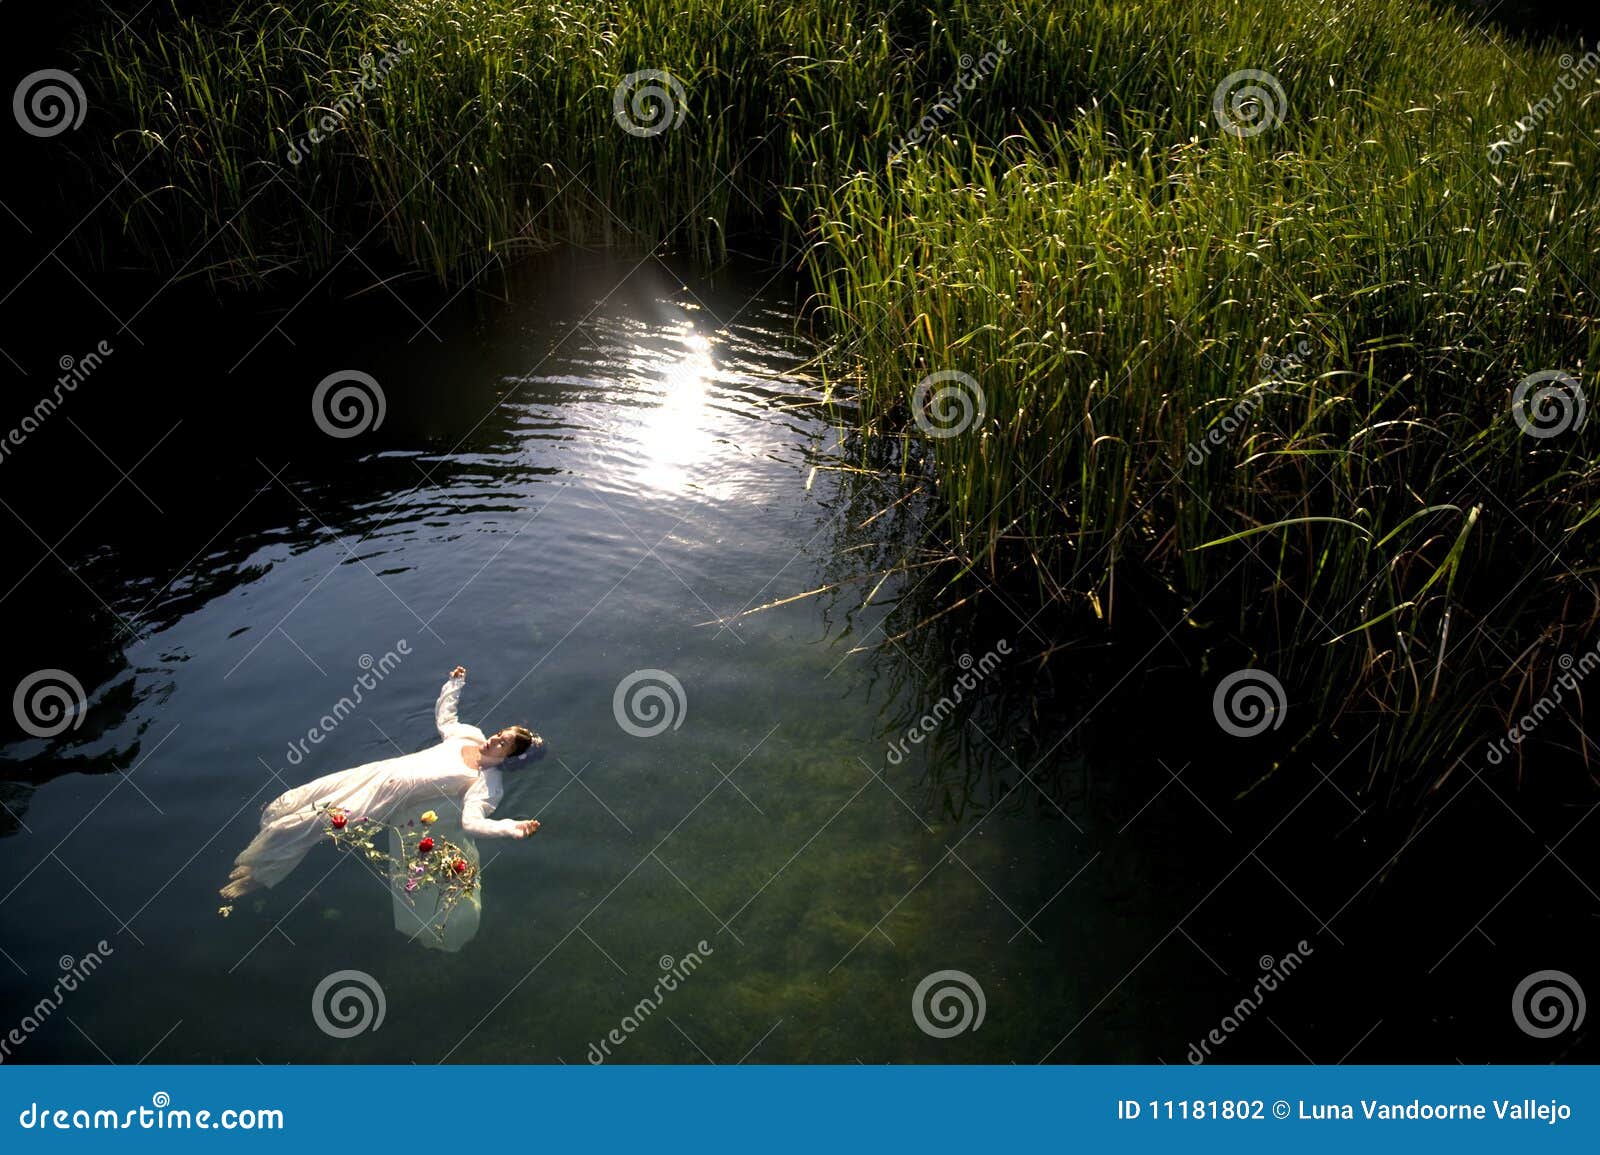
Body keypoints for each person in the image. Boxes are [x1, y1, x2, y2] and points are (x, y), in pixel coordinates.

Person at [220, 667, 546, 948]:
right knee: (301, 799)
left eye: (502, 743)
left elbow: (472, 822)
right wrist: (454, 684)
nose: (494, 739)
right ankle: (260, 857)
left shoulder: (487, 784)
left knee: (310, 825)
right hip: (375, 773)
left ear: (509, 758)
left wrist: (510, 827)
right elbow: (446, 718)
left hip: (378, 803)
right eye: (499, 734)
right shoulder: (469, 737)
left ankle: (258, 877)